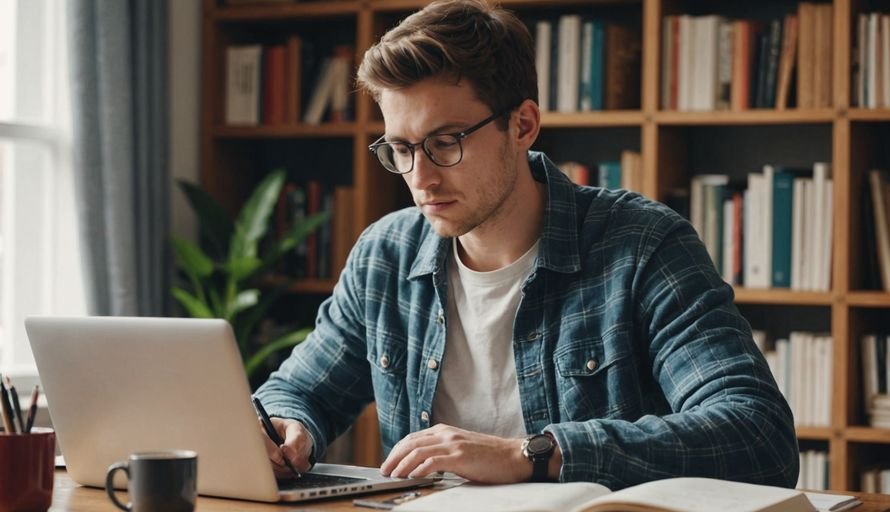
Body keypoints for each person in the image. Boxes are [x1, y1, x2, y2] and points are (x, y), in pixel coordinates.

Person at [254, 0, 798, 489]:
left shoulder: (642, 245)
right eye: (401, 148)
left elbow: (756, 434)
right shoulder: (385, 256)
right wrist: (287, 425)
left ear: (522, 125)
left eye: (445, 142)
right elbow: (300, 392)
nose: (420, 176)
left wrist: (533, 454)